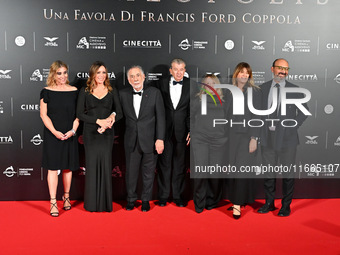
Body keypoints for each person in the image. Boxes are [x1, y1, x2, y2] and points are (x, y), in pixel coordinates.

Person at [257, 58, 309, 217]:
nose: (283, 71)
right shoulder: (262, 89)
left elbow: (303, 112)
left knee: (287, 175)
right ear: (272, 69)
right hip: (268, 138)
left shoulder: (295, 89)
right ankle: (269, 203)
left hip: (287, 140)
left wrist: (291, 127)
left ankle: (286, 206)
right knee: (268, 174)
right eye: (280, 68)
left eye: (286, 69)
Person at [77, 61, 122, 212]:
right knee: (91, 166)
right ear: (93, 74)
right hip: (90, 133)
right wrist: (98, 121)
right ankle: (91, 204)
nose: (101, 75)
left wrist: (110, 120)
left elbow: (119, 112)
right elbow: (80, 114)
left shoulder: (111, 90)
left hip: (107, 133)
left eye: (104, 72)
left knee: (105, 165)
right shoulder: (85, 90)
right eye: (98, 72)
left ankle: (105, 204)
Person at [119, 65, 165, 212]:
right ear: (128, 80)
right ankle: (131, 199)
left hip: (150, 141)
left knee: (148, 173)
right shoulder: (123, 94)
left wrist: (160, 139)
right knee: (131, 174)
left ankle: (145, 200)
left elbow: (161, 118)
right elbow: (119, 116)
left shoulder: (155, 93)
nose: (135, 79)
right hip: (131, 141)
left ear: (144, 77)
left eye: (138, 75)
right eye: (132, 76)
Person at [40, 60, 79, 217]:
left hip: (69, 134)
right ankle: (53, 201)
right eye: (59, 73)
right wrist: (55, 132)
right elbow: (43, 114)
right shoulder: (46, 91)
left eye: (65, 73)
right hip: (52, 135)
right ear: (53, 74)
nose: (63, 76)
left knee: (68, 167)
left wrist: (73, 131)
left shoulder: (74, 91)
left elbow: (78, 115)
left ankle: (67, 197)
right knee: (52, 168)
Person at [191, 74, 231, 213]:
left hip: (219, 141)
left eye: (213, 83)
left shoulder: (224, 102)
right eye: (207, 83)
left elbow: (230, 120)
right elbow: (189, 117)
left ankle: (212, 200)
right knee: (200, 173)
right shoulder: (197, 100)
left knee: (215, 174)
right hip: (200, 140)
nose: (210, 85)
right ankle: (199, 203)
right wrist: (191, 131)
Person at [227, 62, 262, 219]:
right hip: (230, 136)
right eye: (241, 72)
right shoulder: (229, 91)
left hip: (246, 136)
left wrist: (254, 138)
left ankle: (236, 205)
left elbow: (257, 117)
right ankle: (238, 200)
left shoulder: (255, 92)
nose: (244, 75)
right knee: (233, 169)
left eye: (247, 73)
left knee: (241, 169)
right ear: (236, 74)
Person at [156, 58, 190, 207]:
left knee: (180, 167)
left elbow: (193, 110)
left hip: (182, 132)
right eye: (175, 69)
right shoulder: (160, 83)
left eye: (181, 69)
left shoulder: (191, 85)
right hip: (165, 132)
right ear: (170, 70)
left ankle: (177, 196)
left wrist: (192, 129)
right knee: (164, 166)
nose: (178, 72)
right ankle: (163, 196)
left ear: (185, 70)